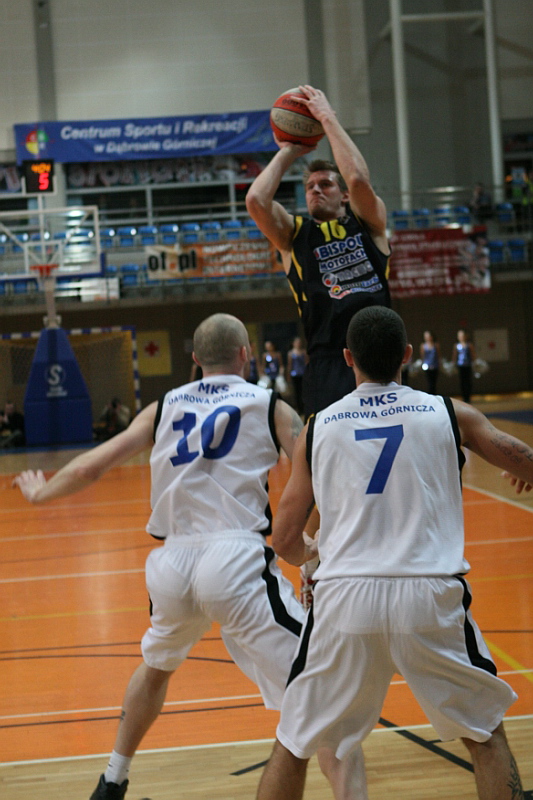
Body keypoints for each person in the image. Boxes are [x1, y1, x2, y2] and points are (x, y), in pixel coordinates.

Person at [13, 313, 362, 800]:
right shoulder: (267, 404)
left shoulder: (163, 407)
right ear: (245, 355)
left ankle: (113, 778)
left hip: (172, 567)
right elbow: (318, 477)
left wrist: (41, 492)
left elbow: (94, 466)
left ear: (195, 360)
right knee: (323, 689)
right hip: (235, 560)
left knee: (156, 666)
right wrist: (315, 551)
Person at [256, 306, 531, 800]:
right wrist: (522, 470)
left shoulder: (318, 427)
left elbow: (284, 539)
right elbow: (524, 460)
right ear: (406, 355)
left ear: (348, 358)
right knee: (486, 738)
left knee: (294, 744)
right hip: (428, 595)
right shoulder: (450, 412)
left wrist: (309, 557)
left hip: (345, 598)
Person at [246, 84, 391, 419]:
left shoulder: (368, 222)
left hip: (380, 355)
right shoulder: (294, 234)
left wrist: (327, 119)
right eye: (310, 186)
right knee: (326, 450)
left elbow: (358, 179)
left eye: (325, 184)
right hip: (328, 362)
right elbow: (255, 201)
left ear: (343, 195)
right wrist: (289, 151)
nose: (315, 190)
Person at [453, 328, 476, 404]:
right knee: (462, 381)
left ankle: (468, 397)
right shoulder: (456, 345)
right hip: (460, 365)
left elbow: (473, 355)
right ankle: (464, 397)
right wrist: (453, 364)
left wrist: (475, 363)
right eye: (459, 335)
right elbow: (455, 356)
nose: (461, 337)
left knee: (468, 381)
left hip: (468, 365)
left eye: (462, 335)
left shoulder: (469, 345)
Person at [286, 336, 307, 415]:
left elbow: (306, 362)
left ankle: (303, 407)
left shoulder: (304, 352)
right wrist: (288, 375)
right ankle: (298, 408)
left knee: (303, 391)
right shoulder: (291, 353)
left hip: (303, 373)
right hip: (294, 374)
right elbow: (290, 365)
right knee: (296, 392)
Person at [419, 329, 440, 394]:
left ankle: (434, 394)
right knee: (429, 381)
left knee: (434, 382)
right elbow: (422, 356)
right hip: (427, 366)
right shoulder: (423, 345)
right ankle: (430, 393)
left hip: (435, 365)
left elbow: (438, 355)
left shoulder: (436, 345)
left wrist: (440, 364)